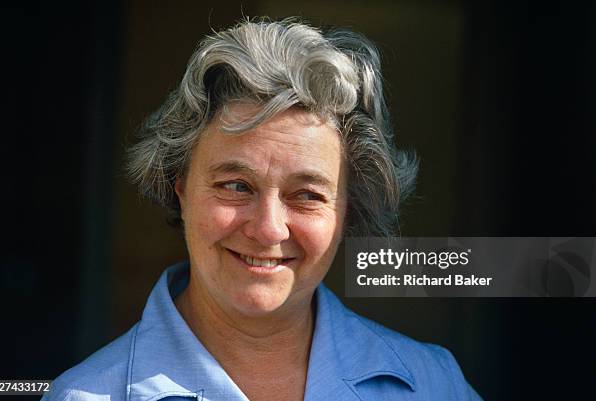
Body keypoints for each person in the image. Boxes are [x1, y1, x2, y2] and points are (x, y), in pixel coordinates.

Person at [43, 18, 482, 401]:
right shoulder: (86, 395)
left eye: (307, 195)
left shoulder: (432, 384)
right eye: (236, 186)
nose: (269, 229)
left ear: (348, 210)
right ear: (181, 189)